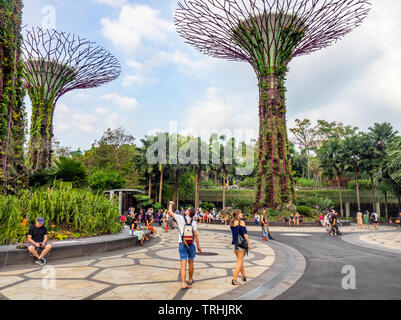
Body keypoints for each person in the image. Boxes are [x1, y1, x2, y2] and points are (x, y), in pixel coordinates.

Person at [168, 201, 201, 289]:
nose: (185, 210)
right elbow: (196, 235)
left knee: (183, 264)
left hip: (182, 243)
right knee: (191, 263)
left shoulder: (180, 218)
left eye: (187, 210)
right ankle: (190, 279)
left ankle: (183, 283)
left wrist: (171, 204)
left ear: (188, 212)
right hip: (191, 244)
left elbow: (170, 212)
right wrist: (198, 246)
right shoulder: (193, 223)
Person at [230, 209, 250, 286]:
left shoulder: (232, 222)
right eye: (241, 212)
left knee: (240, 260)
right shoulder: (241, 222)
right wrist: (248, 243)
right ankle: (234, 280)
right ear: (238, 214)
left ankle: (243, 276)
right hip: (241, 244)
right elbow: (245, 235)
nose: (242, 214)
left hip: (234, 244)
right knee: (239, 262)